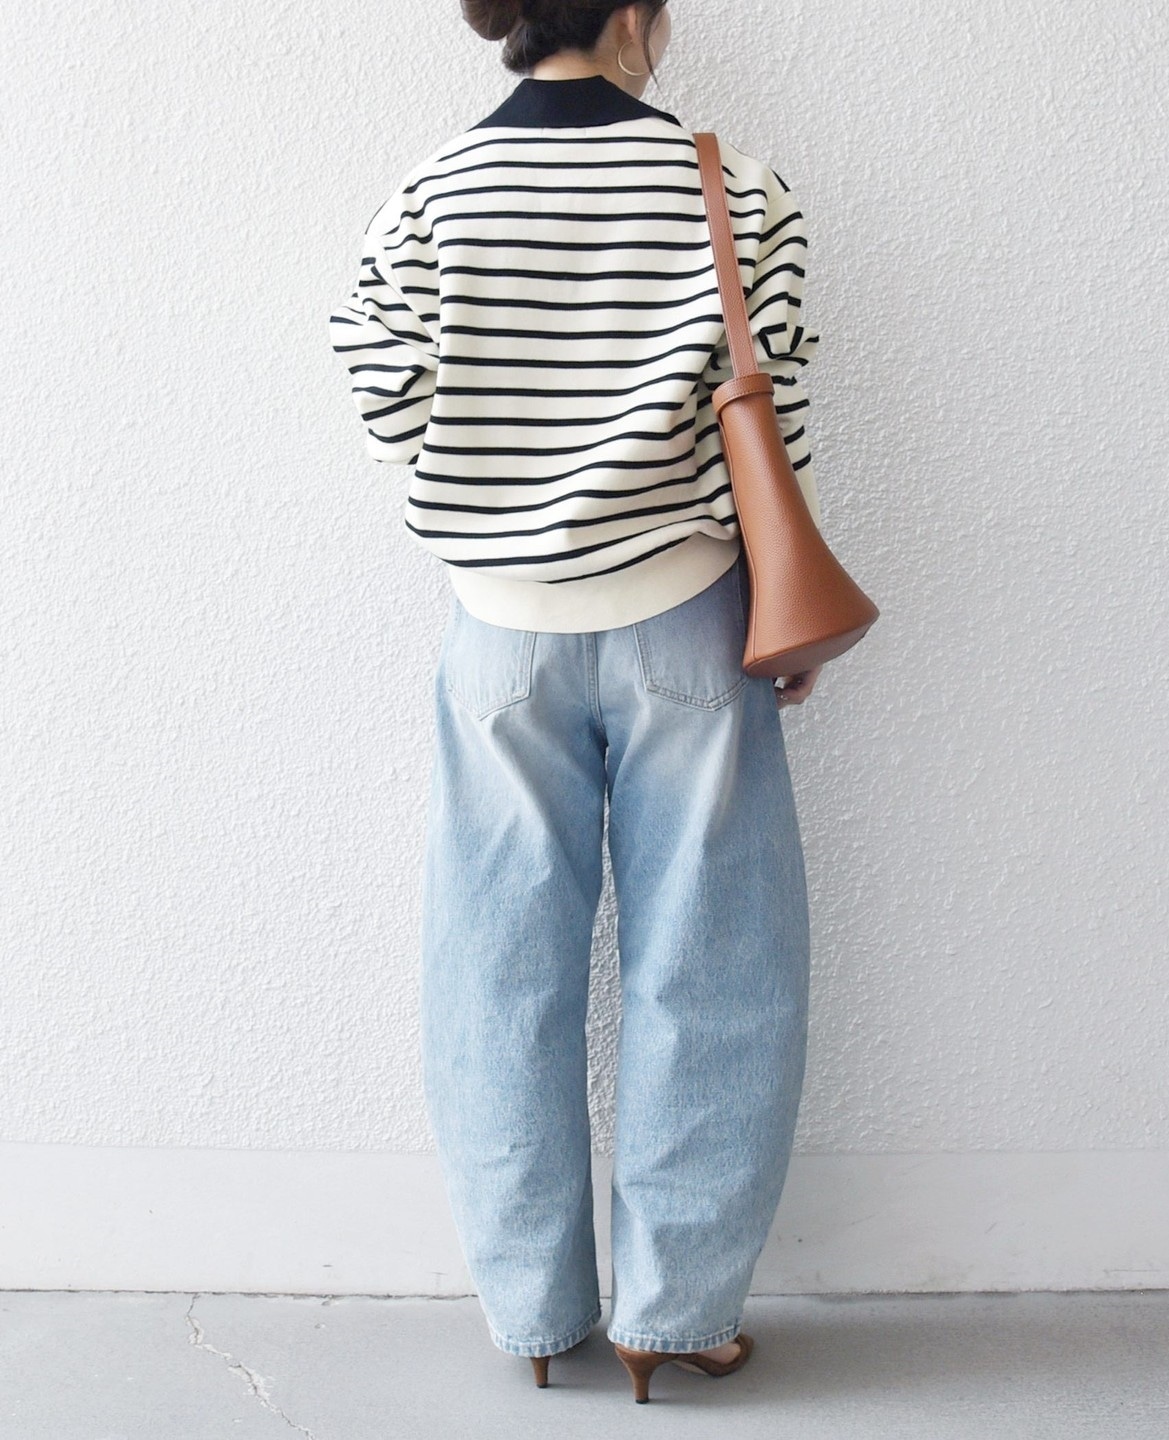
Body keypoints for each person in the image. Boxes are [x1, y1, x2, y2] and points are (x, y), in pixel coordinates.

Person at [329, 0, 823, 1404]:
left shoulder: (433, 191)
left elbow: (377, 382)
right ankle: (679, 1315)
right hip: (692, 618)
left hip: (499, 637)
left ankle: (535, 1313)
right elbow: (776, 409)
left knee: (495, 969)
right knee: (715, 964)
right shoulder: (736, 189)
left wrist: (496, 493)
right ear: (632, 15)